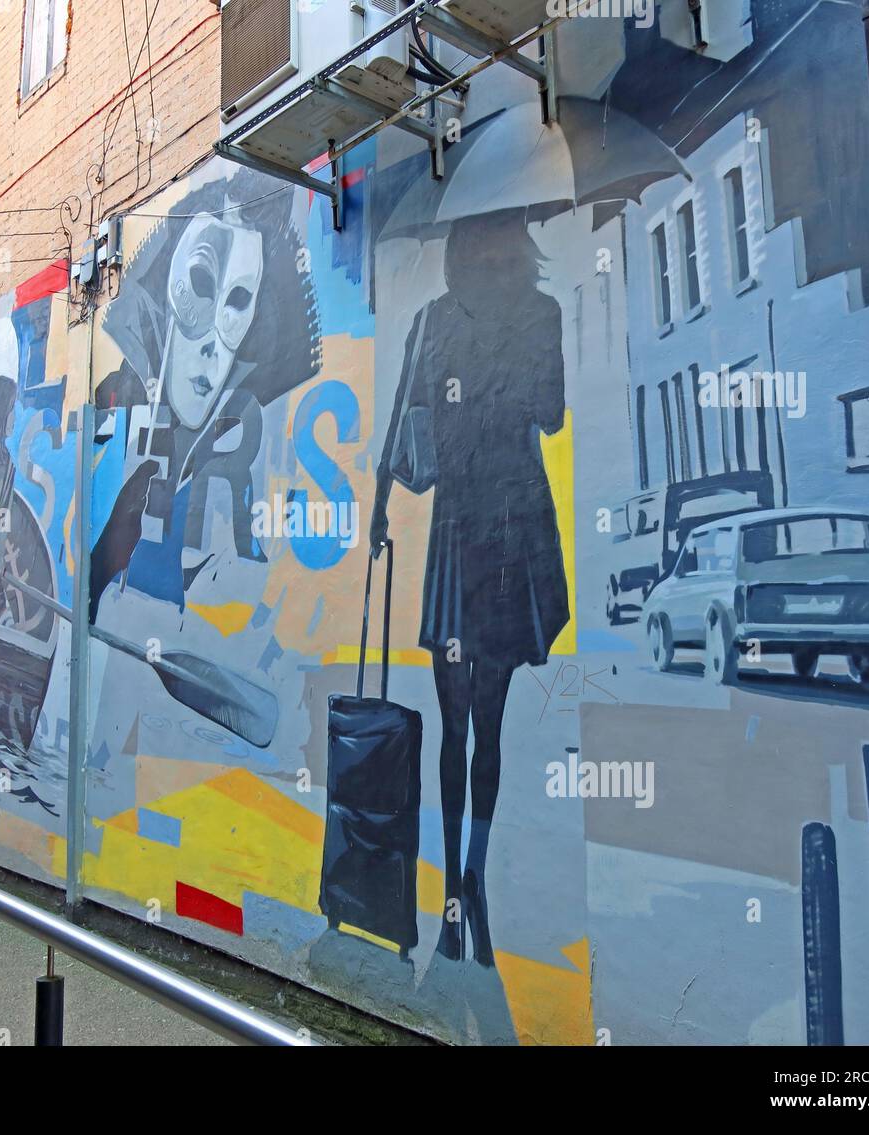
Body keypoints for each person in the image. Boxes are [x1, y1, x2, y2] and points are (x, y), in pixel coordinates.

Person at [370, 211, 569, 967]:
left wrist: (490, 379)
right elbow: (401, 422)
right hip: (462, 527)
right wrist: (380, 510)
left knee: (487, 725)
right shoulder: (432, 321)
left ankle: (473, 878)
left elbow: (550, 411)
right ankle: (455, 884)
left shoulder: (538, 314)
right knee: (458, 727)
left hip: (510, 529)